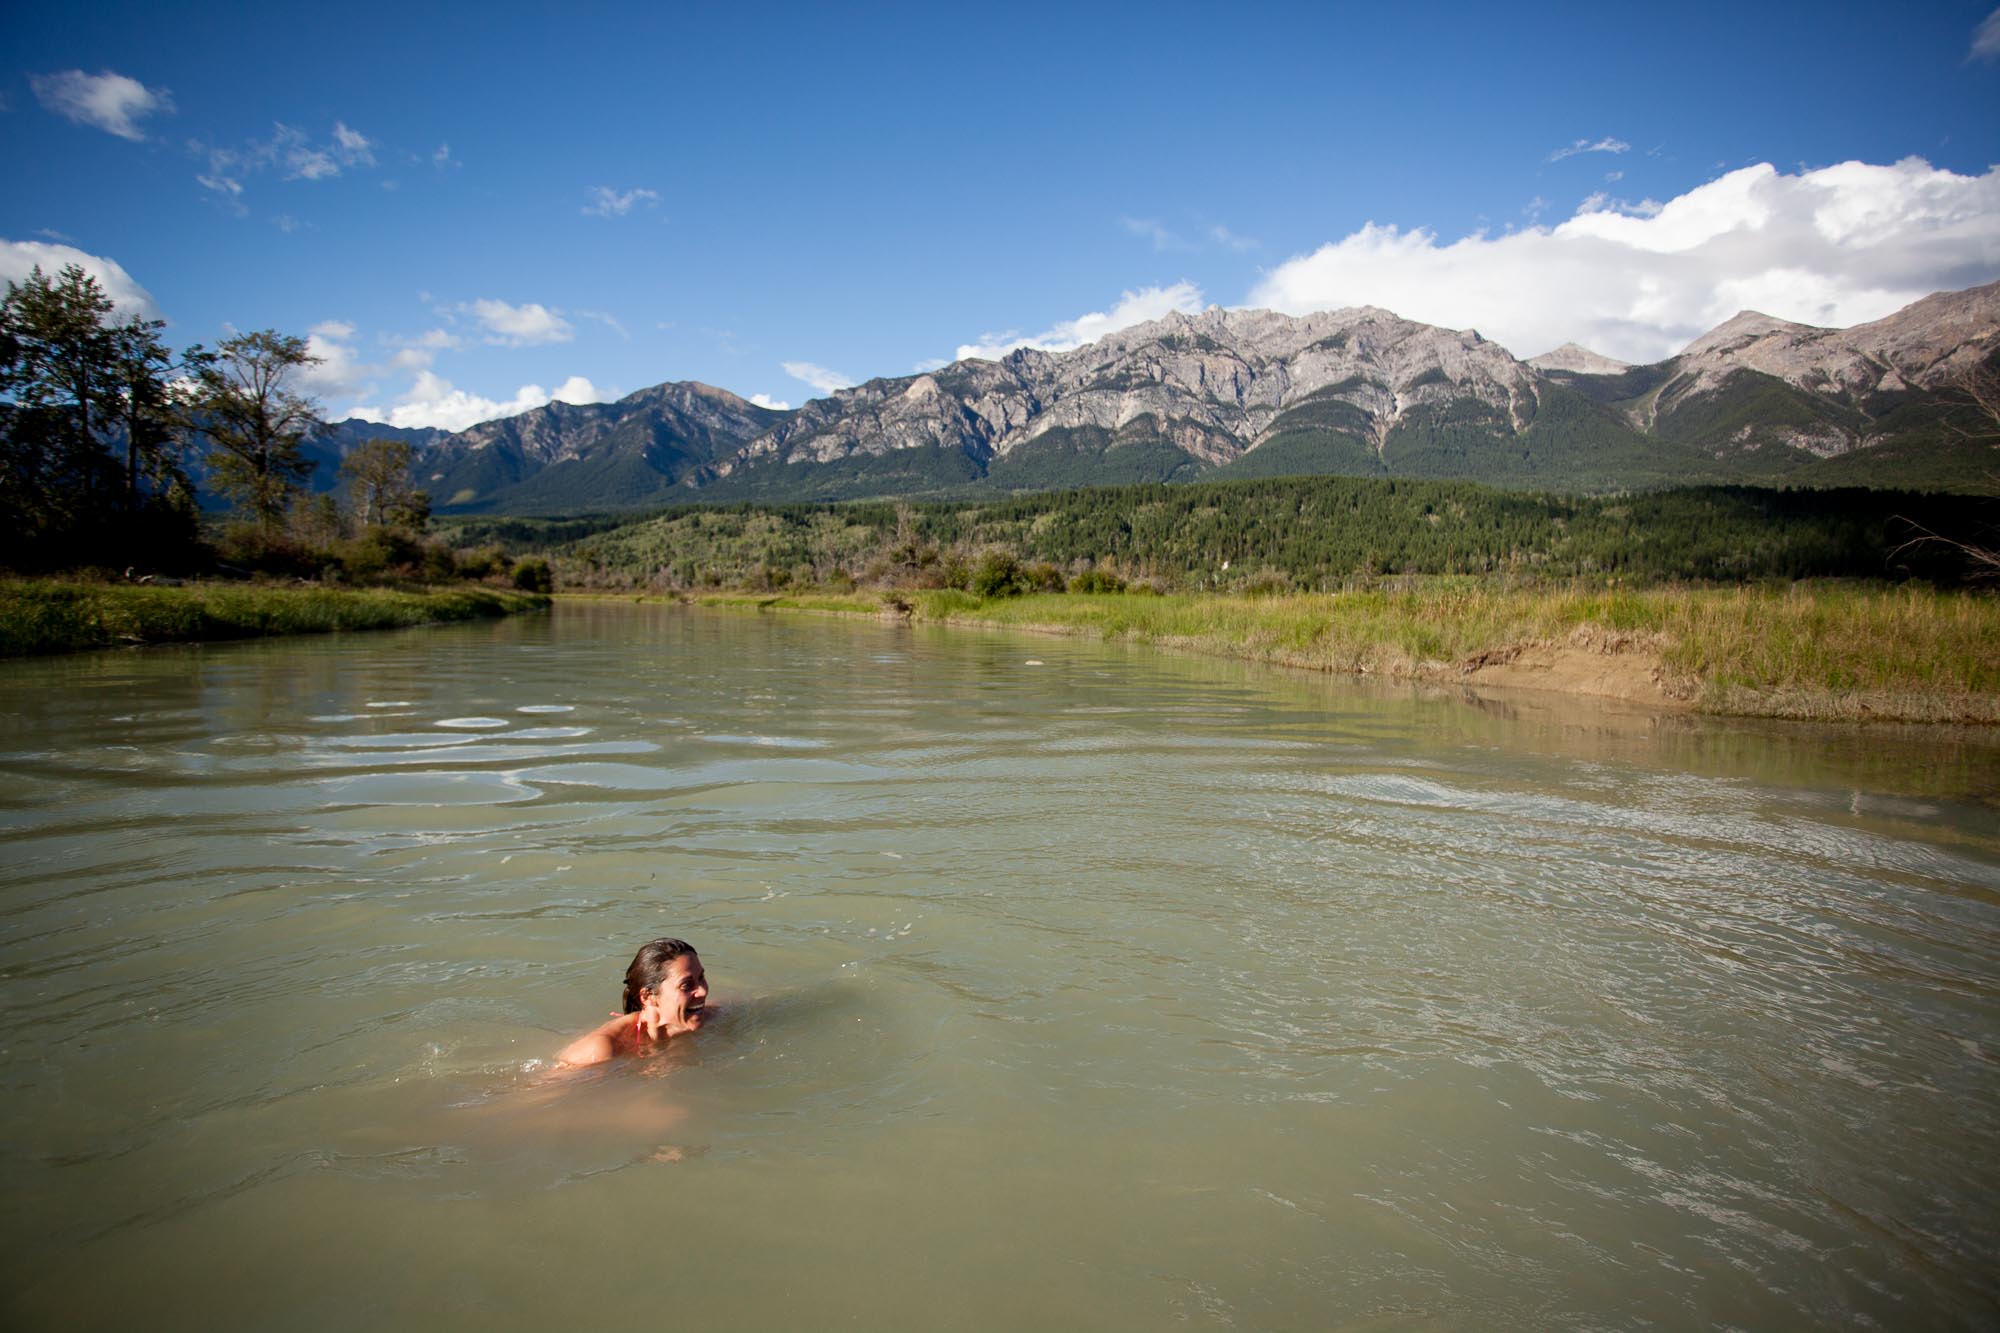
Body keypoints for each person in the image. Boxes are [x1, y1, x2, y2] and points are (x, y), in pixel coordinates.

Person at [558, 937, 710, 1067]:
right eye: (686, 985)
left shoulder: (710, 1017)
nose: (703, 991)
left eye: (701, 977)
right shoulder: (601, 1050)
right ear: (648, 997)